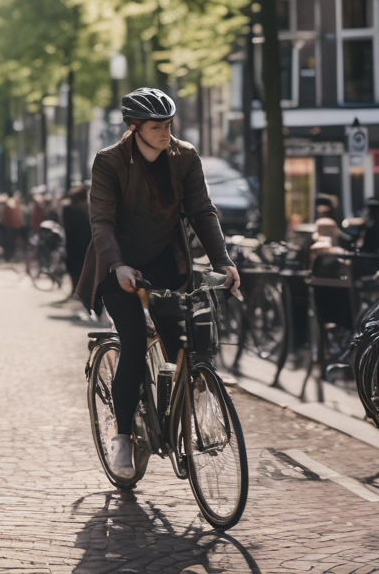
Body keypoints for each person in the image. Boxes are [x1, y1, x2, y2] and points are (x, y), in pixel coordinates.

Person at [76, 88, 240, 482]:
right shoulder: (110, 162)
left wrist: (223, 261)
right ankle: (123, 438)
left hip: (167, 259)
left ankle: (191, 404)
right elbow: (102, 222)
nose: (165, 132)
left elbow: (202, 210)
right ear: (135, 128)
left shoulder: (185, 156)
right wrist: (117, 265)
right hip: (120, 263)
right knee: (133, 340)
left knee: (185, 340)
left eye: (168, 124)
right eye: (156, 126)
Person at [62, 184, 91, 291]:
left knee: (74, 266)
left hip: (73, 243)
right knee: (80, 266)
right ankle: (78, 288)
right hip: (82, 243)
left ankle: (75, 288)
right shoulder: (84, 210)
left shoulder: (68, 209)